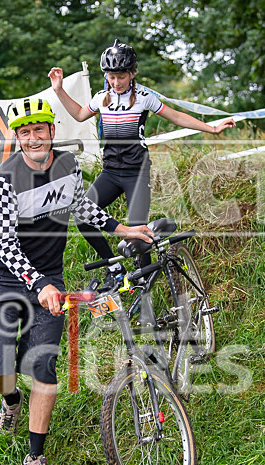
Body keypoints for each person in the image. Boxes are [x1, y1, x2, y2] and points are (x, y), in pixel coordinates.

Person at [0, 98, 153, 465]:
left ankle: (35, 457)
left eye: (39, 130)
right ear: (17, 139)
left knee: (44, 366)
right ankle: (10, 400)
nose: (33, 138)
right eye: (24, 133)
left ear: (52, 132)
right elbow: (4, 243)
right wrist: (37, 285)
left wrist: (123, 230)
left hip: (49, 276)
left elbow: (83, 209)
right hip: (2, 278)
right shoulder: (6, 177)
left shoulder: (68, 166)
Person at [49, 39, 236, 286]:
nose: (116, 82)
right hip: (111, 173)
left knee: (138, 236)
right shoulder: (101, 98)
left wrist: (211, 128)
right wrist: (59, 89)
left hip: (136, 174)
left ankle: (145, 287)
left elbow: (176, 116)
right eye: (111, 76)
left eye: (121, 76)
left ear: (132, 73)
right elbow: (79, 114)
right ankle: (113, 268)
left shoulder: (144, 97)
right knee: (83, 217)